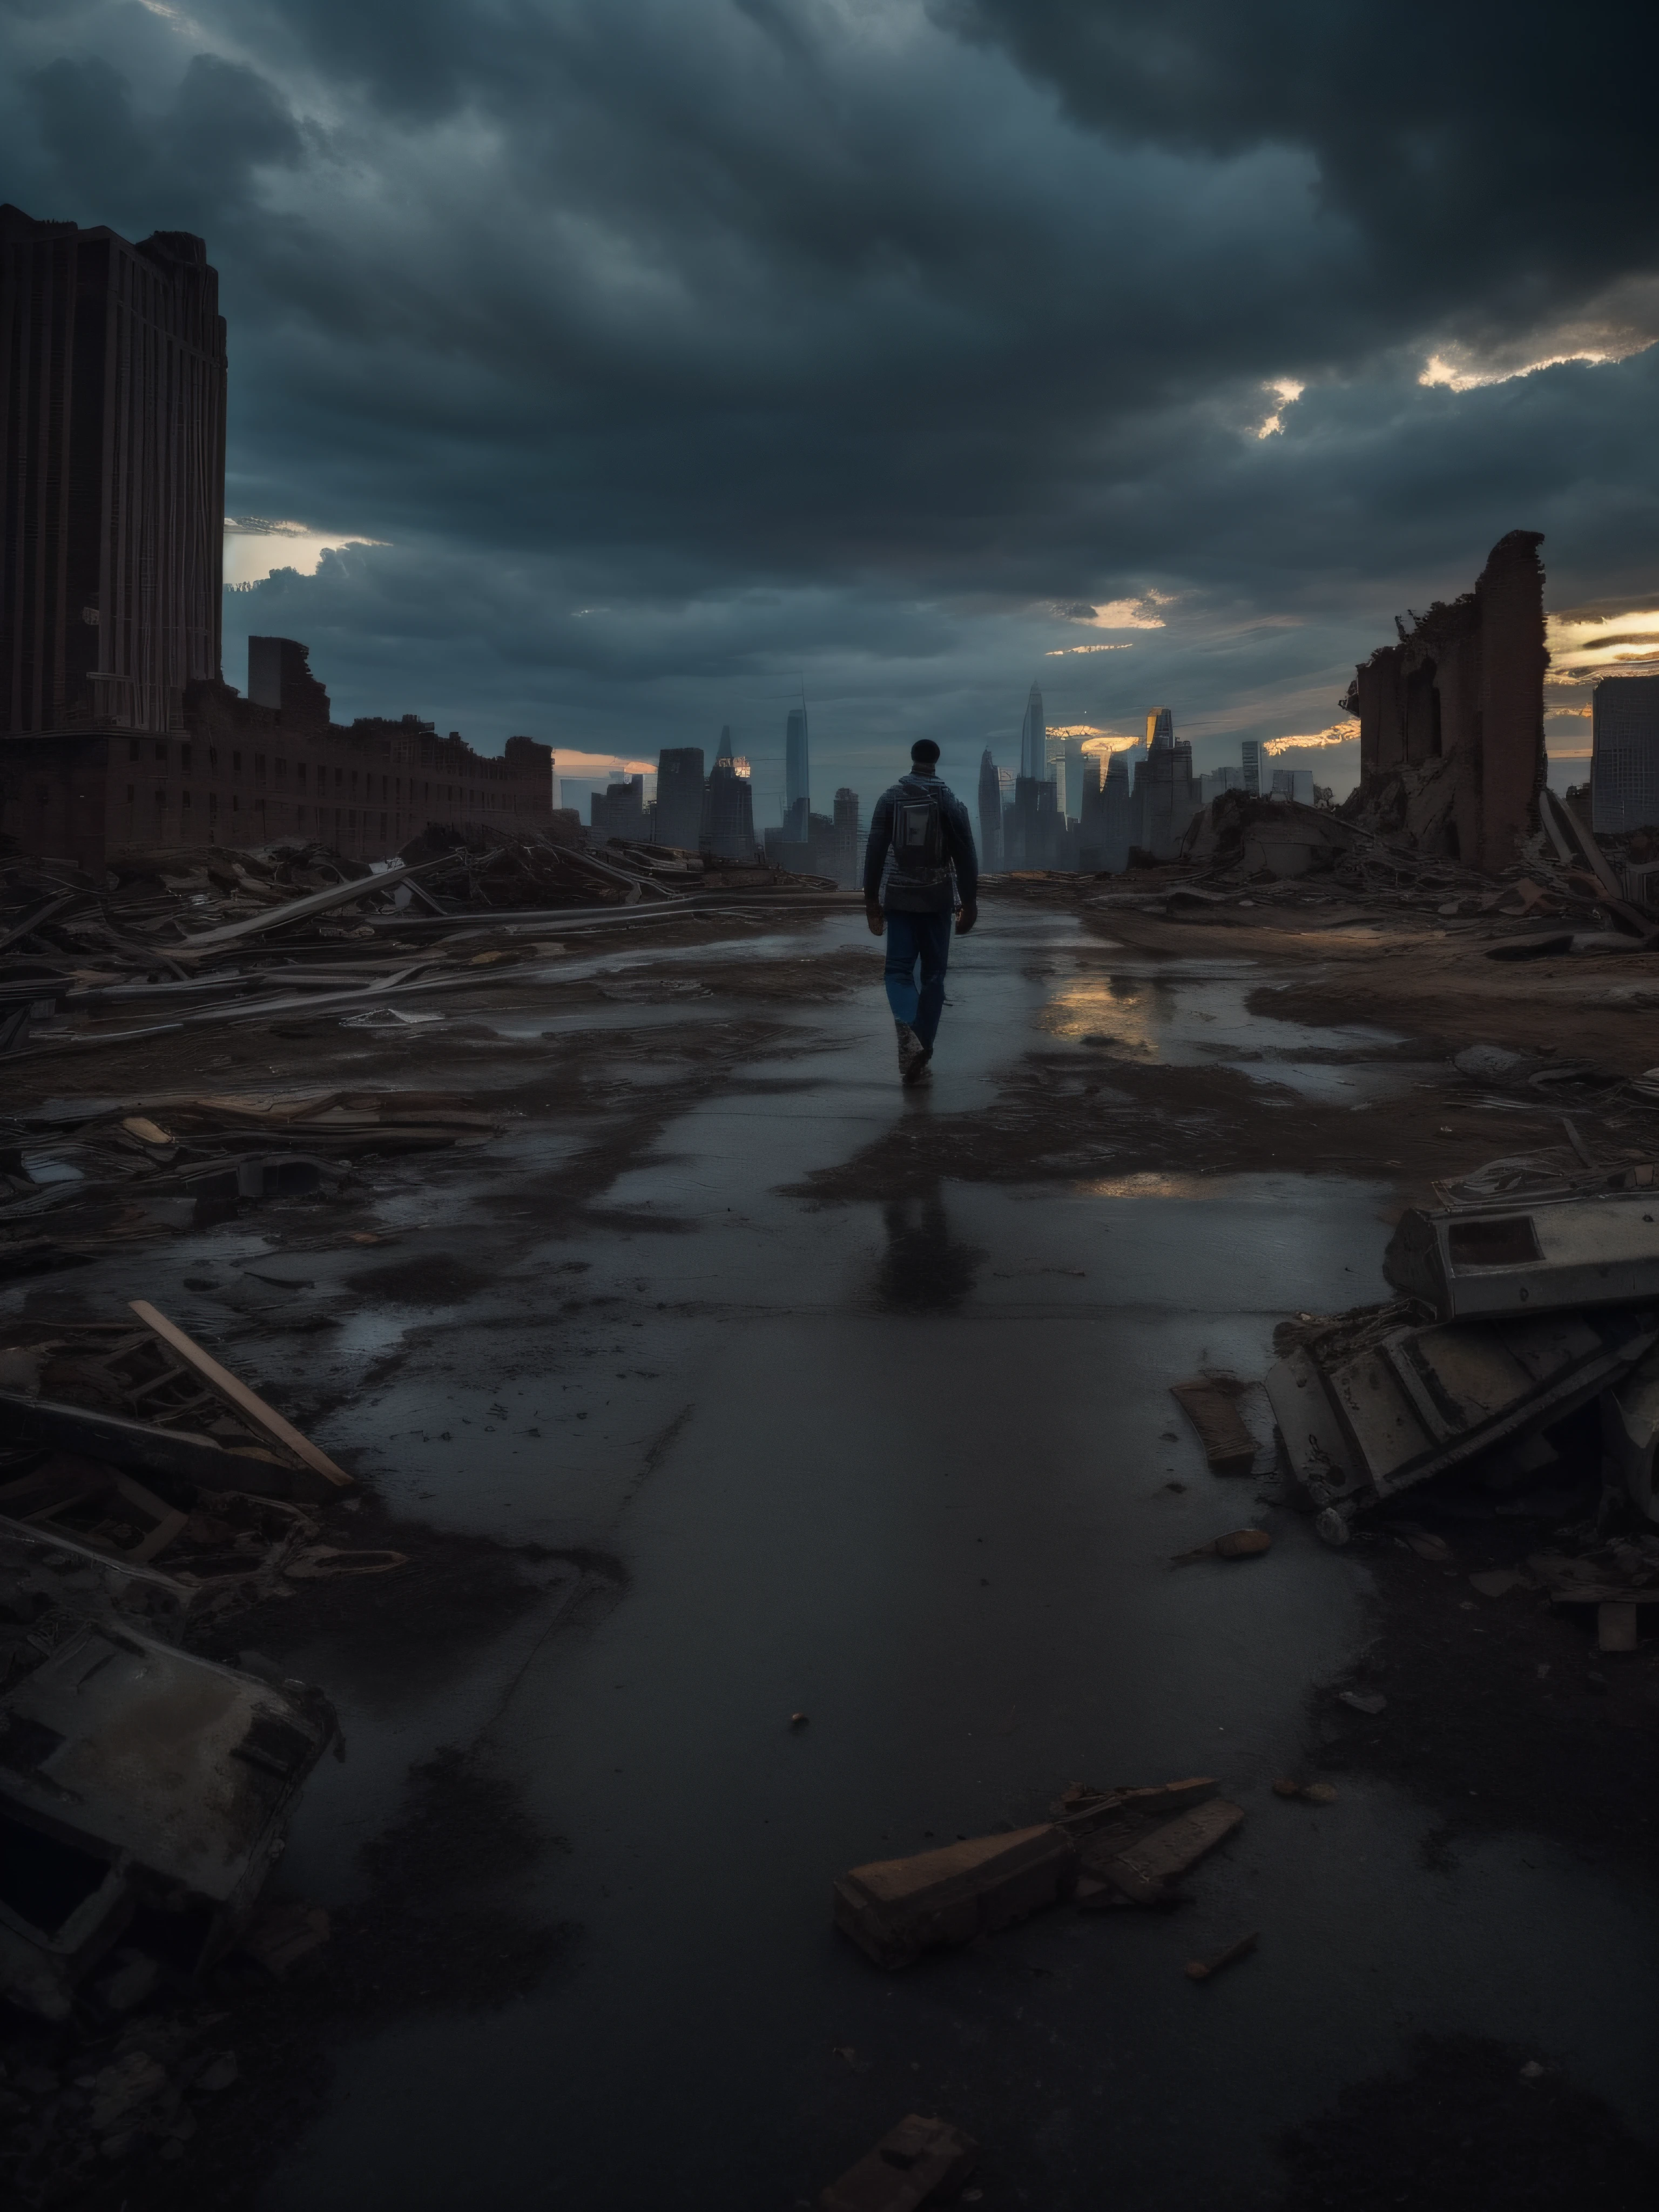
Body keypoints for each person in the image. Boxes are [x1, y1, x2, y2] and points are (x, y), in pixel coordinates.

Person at [862, 739, 979, 1084]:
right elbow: (966, 855)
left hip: (899, 898)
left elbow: (875, 852)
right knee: (934, 976)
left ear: (912, 758)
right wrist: (969, 903)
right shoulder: (950, 801)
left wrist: (871, 901)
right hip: (938, 899)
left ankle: (909, 1036)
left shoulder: (889, 798)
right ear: (936, 760)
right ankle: (921, 1045)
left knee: (898, 972)